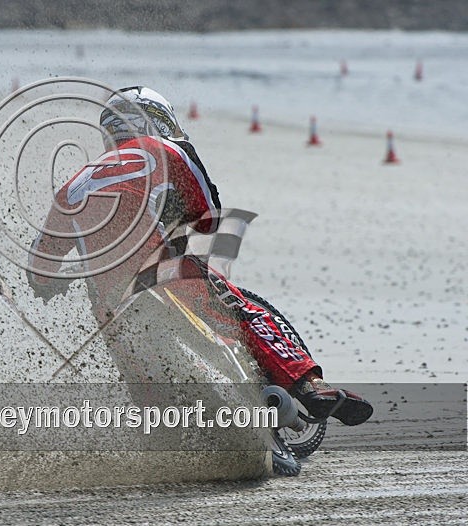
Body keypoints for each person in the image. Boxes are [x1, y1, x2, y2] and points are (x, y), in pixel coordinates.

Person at [27, 86, 372, 426]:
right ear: (155, 121)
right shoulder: (167, 150)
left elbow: (39, 269)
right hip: (160, 271)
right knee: (242, 312)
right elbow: (209, 215)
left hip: (107, 297)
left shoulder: (72, 184)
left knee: (139, 372)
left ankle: (166, 435)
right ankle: (310, 385)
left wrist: (48, 285)